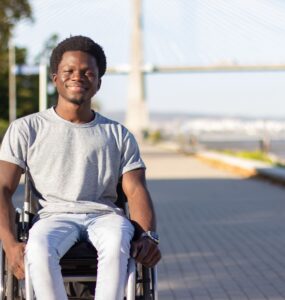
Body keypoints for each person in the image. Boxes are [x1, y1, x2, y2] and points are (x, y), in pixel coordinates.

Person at [0, 35, 161, 300]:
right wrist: (9, 244)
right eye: (69, 71)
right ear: (55, 78)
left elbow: (135, 189)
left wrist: (149, 237)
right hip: (53, 216)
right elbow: (3, 188)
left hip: (105, 216)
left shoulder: (118, 134)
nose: (78, 77)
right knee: (38, 247)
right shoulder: (26, 129)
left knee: (117, 241)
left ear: (98, 82)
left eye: (88, 72)